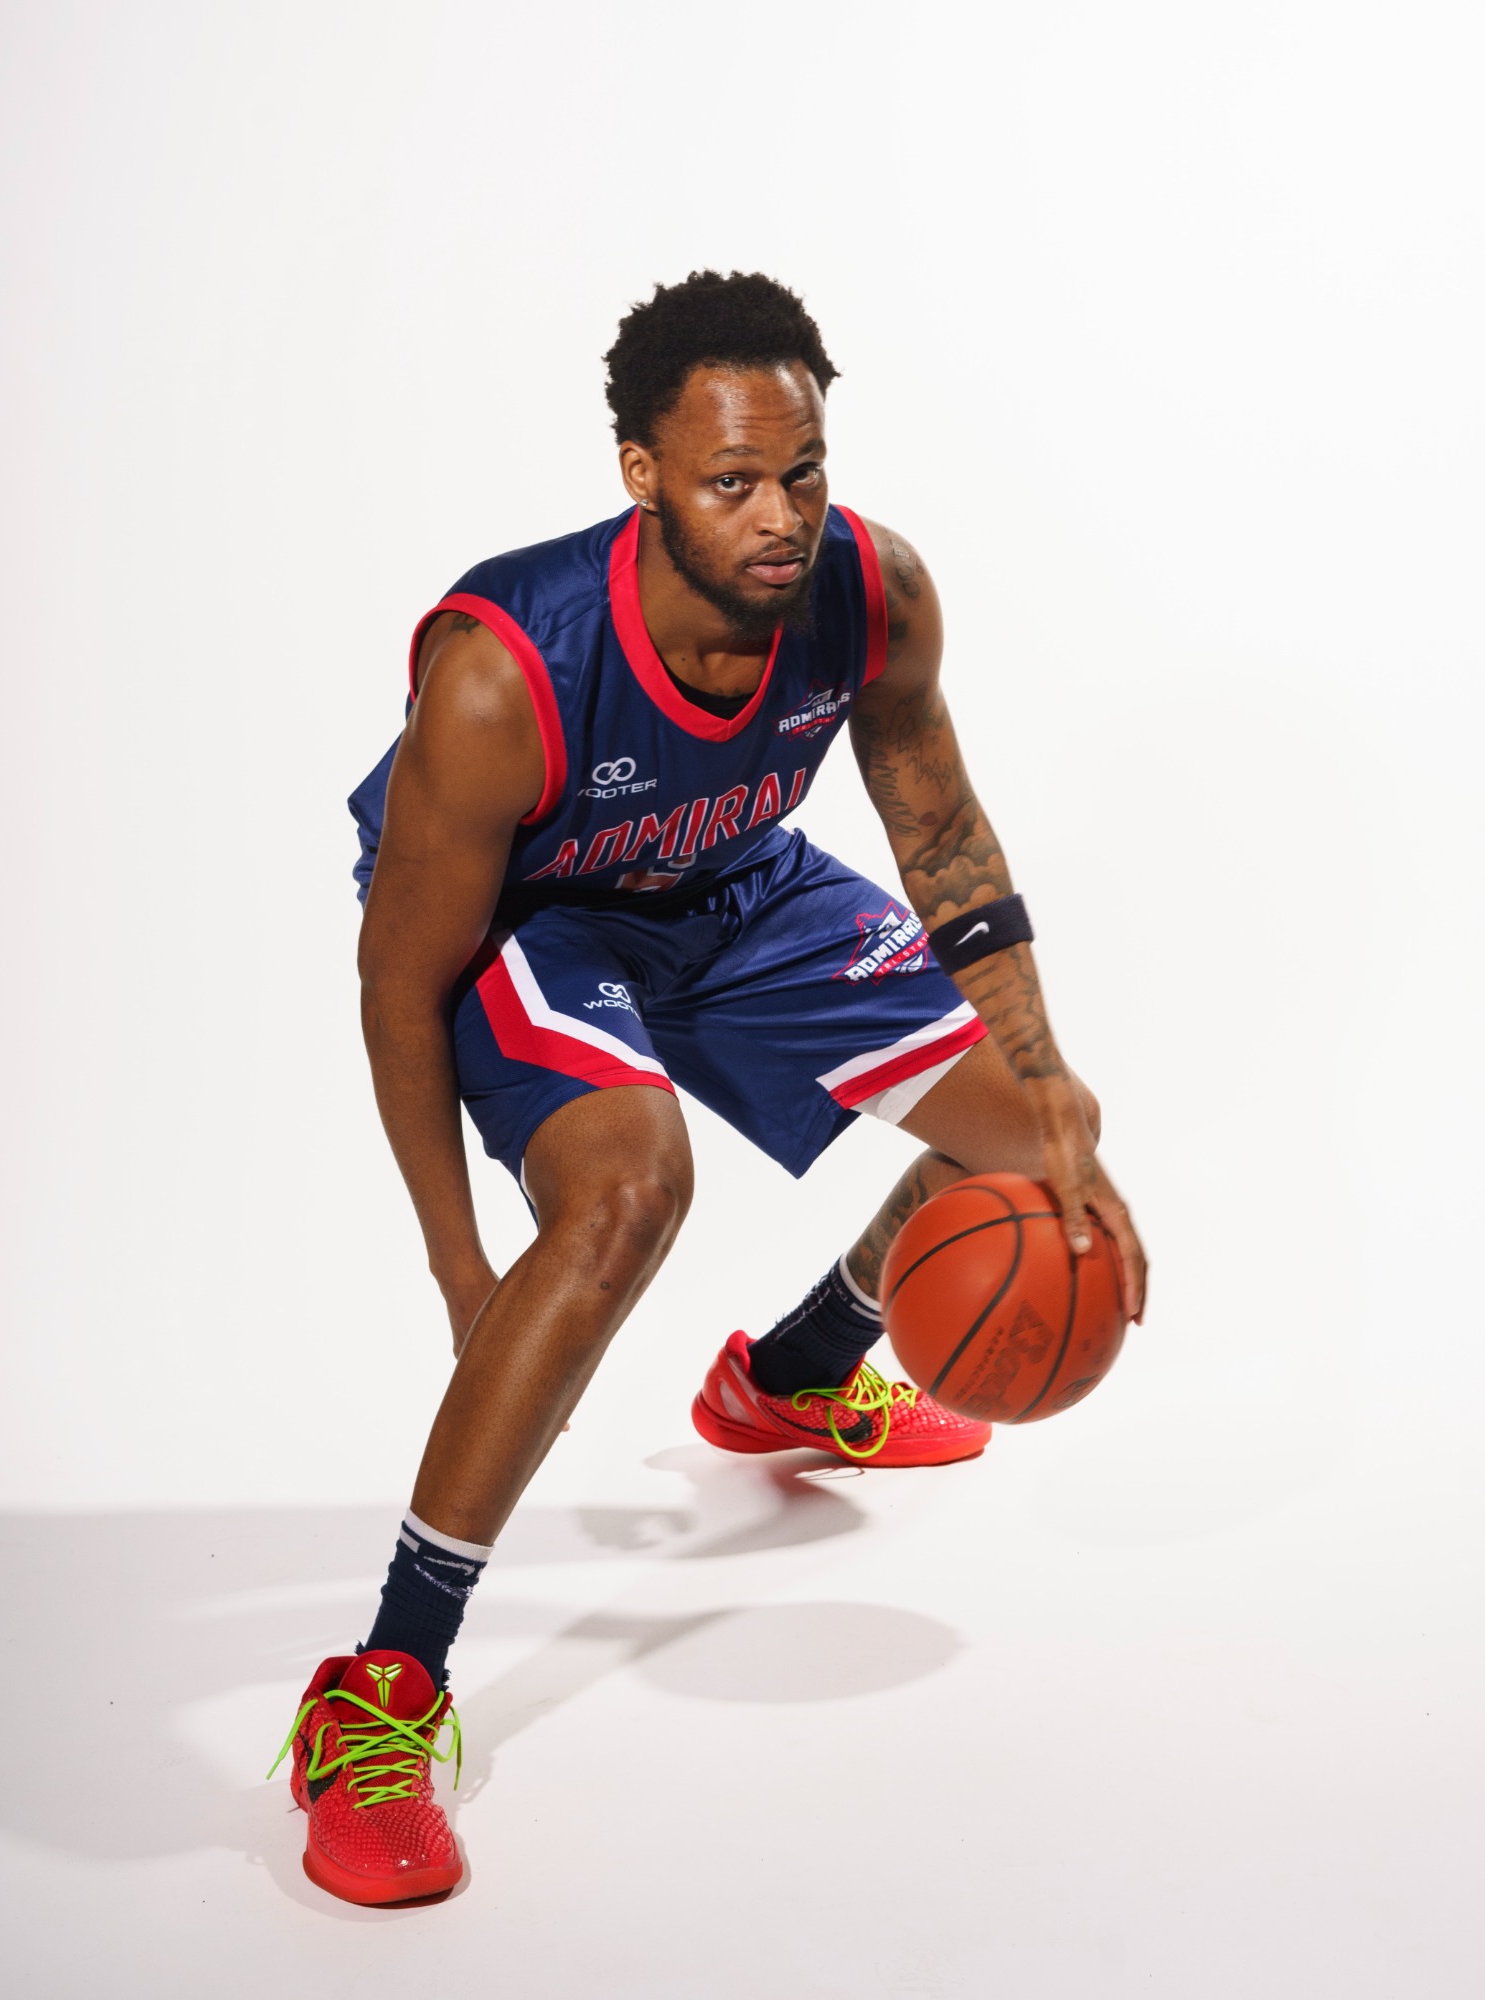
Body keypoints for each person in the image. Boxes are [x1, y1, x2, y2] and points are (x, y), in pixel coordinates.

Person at [271, 271, 1147, 1905]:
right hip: (541, 914)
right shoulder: (504, 670)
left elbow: (945, 837)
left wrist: (1043, 1073)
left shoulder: (872, 592)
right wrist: (462, 1265)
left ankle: (794, 1378)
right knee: (630, 1191)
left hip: (735, 886)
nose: (779, 515)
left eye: (801, 471)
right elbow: (398, 987)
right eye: (732, 480)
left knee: (1042, 1136)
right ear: (643, 474)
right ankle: (381, 1690)